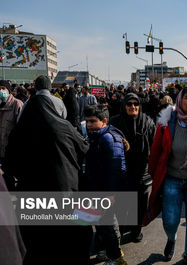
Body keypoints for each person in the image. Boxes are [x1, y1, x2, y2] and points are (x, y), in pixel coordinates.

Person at [4, 75, 90, 265]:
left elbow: (9, 164)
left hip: (32, 196)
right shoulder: (64, 126)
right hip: (65, 192)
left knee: (39, 246)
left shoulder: (20, 131)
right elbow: (84, 148)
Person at [143, 86, 187, 264]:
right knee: (170, 220)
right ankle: (172, 238)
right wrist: (153, 175)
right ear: (179, 100)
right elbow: (156, 151)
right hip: (172, 180)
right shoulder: (166, 122)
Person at [84, 104, 129, 265]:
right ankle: (108, 252)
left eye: (92, 121)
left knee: (108, 224)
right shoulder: (97, 135)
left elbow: (117, 169)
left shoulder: (108, 138)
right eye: (87, 121)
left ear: (103, 121)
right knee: (103, 223)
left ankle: (116, 257)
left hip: (105, 191)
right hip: (97, 187)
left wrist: (111, 193)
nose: (88, 125)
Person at [110, 93, 156, 242]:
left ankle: (136, 231)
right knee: (123, 203)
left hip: (142, 172)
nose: (132, 107)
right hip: (122, 171)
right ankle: (121, 231)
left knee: (140, 205)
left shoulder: (148, 122)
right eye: (129, 104)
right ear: (124, 106)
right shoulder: (115, 123)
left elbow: (155, 145)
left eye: (135, 104)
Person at [0, 83, 23, 189]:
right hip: (1, 150)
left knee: (10, 178)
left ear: (8, 90)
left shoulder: (17, 104)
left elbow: (22, 128)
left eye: (3, 88)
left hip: (12, 150)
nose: (1, 90)